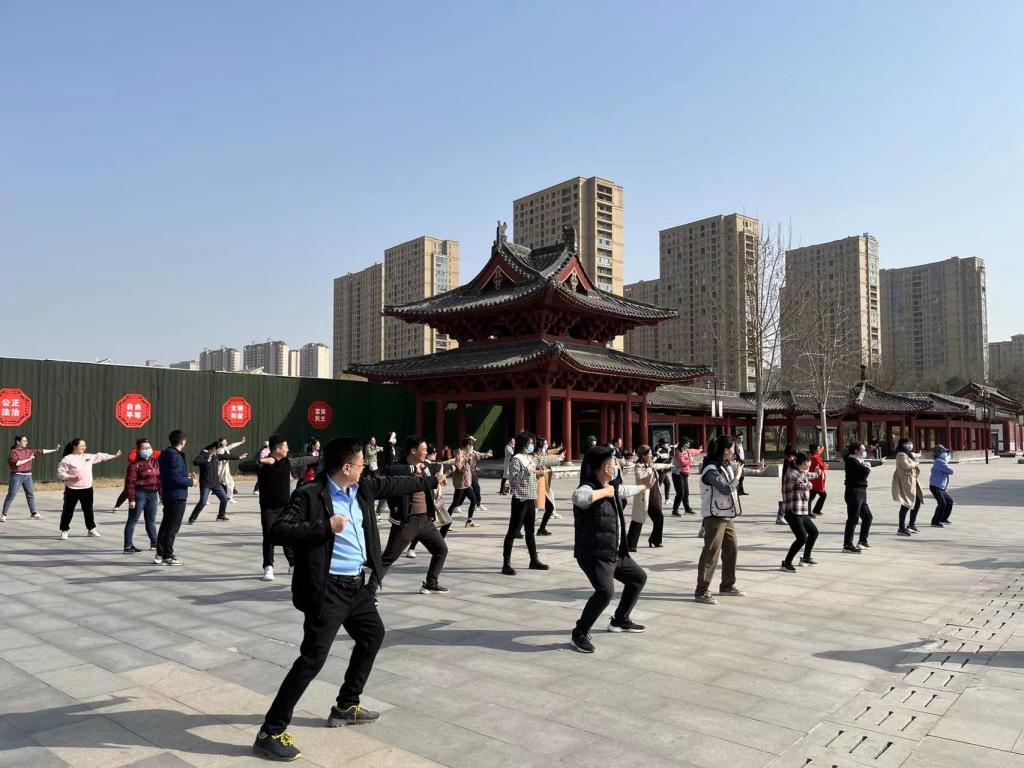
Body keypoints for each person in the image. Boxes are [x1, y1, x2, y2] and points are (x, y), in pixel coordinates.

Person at [252, 436, 441, 762]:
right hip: (326, 590)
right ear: (346, 467)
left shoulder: (361, 489)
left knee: (373, 634)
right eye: (361, 464)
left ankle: (346, 704)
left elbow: (395, 484)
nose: (365, 468)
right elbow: (279, 531)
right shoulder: (311, 494)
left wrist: (430, 479)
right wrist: (325, 526)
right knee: (312, 659)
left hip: (356, 587)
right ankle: (270, 731)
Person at [569, 445, 655, 653]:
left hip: (615, 552)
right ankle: (579, 633)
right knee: (605, 592)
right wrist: (604, 492)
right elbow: (578, 498)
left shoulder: (612, 487)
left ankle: (620, 620)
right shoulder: (588, 486)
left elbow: (623, 491)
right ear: (605, 468)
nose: (617, 467)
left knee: (638, 578)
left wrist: (644, 486)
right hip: (594, 554)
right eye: (614, 464)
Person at [375, 436, 451, 595]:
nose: (426, 452)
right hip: (407, 522)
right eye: (424, 449)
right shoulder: (400, 467)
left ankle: (431, 583)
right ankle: (368, 592)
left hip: (425, 520)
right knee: (388, 558)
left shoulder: (425, 466)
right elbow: (388, 470)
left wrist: (453, 468)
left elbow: (440, 467)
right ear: (413, 450)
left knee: (441, 550)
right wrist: (412, 469)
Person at [694, 435, 756, 604]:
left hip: (726, 514)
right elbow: (726, 488)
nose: (735, 452)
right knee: (711, 552)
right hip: (715, 516)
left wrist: (757, 471)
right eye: (733, 449)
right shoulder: (711, 470)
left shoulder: (725, 464)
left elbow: (739, 470)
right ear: (725, 450)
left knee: (731, 549)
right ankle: (701, 590)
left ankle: (727, 585)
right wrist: (737, 477)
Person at [252, 435, 320, 581]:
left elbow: (304, 460)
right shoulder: (263, 465)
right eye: (285, 446)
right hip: (269, 508)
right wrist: (262, 461)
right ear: (277, 449)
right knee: (269, 536)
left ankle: (292, 564)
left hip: (285, 507)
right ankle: (268, 567)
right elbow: (243, 466)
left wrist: (319, 458)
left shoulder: (287, 462)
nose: (288, 449)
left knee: (289, 535)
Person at [503, 431, 559, 575]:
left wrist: (558, 458)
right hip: (520, 499)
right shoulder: (516, 459)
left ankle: (534, 560)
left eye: (532, 443)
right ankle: (506, 564)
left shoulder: (530, 457)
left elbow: (542, 460)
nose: (532, 446)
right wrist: (528, 471)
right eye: (530, 443)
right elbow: (514, 480)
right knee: (512, 531)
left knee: (530, 531)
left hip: (530, 499)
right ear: (523, 444)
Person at [56, 439, 121, 539]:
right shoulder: (67, 459)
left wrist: (114, 456)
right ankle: (64, 530)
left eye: (85, 445)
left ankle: (91, 529)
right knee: (68, 510)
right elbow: (60, 473)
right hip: (72, 489)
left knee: (88, 510)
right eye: (82, 445)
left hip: (87, 489)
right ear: (75, 446)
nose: (84, 447)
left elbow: (100, 456)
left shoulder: (88, 457)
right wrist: (71, 477)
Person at [156, 430, 198, 565]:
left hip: (167, 494)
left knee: (165, 525)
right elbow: (175, 478)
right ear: (182, 441)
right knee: (172, 527)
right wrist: (191, 482)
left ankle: (160, 552)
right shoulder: (176, 456)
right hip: (176, 496)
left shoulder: (165, 454)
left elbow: (172, 474)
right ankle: (168, 555)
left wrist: (186, 476)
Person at [407, 444, 457, 558]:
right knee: (422, 527)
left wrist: (446, 472)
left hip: (436, 499)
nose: (435, 455)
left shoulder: (433, 465)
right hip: (428, 501)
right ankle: (411, 548)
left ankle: (440, 545)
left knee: (447, 521)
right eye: (433, 453)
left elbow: (445, 465)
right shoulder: (424, 465)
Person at [2, 435, 60, 522]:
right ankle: (4, 515)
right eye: (24, 441)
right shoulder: (13, 452)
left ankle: (34, 513)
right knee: (11, 495)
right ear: (18, 442)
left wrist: (55, 449)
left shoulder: (29, 451)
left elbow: (41, 451)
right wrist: (29, 459)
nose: (26, 442)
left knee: (30, 494)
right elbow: (17, 463)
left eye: (26, 441)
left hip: (28, 476)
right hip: (16, 476)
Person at [780, 452, 821, 572]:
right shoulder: (791, 473)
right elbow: (803, 481)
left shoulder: (800, 472)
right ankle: (786, 563)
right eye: (809, 461)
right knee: (802, 537)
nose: (810, 463)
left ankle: (806, 558)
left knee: (814, 532)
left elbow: (807, 475)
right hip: (792, 511)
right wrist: (808, 484)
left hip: (801, 511)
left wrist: (817, 473)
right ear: (804, 462)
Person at [187, 441, 247, 524]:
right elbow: (195, 462)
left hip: (216, 483)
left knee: (224, 499)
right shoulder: (203, 455)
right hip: (206, 484)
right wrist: (207, 460)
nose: (219, 450)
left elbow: (226, 456)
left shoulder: (216, 456)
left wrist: (239, 457)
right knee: (203, 502)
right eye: (218, 449)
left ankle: (220, 516)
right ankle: (192, 518)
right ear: (214, 448)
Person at [627, 445, 673, 550]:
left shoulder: (650, 465)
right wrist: (649, 470)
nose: (651, 455)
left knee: (659, 518)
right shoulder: (639, 466)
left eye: (651, 453)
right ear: (643, 456)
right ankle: (630, 545)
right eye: (649, 454)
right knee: (638, 520)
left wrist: (668, 465)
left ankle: (655, 540)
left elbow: (658, 466)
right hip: (644, 496)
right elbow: (640, 477)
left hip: (654, 496)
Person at [123, 438, 161, 553]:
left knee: (151, 521)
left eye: (149, 447)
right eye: (144, 448)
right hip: (140, 494)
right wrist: (131, 499)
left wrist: (162, 495)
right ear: (139, 451)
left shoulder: (155, 462)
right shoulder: (135, 465)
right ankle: (128, 546)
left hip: (153, 494)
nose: (148, 450)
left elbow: (159, 480)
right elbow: (130, 483)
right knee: (132, 520)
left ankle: (154, 543)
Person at [843, 442, 873, 553]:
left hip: (861, 492)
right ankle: (847, 545)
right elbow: (865, 472)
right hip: (854, 493)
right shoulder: (851, 461)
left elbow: (864, 469)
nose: (864, 451)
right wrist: (868, 466)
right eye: (863, 449)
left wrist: (874, 463)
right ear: (856, 450)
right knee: (853, 518)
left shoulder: (858, 461)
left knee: (867, 516)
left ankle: (862, 541)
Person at [892, 437, 923, 536]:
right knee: (906, 504)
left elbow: (914, 454)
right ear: (902, 445)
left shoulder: (907, 453)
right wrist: (916, 463)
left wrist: (918, 454)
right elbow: (906, 466)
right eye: (908, 443)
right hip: (906, 482)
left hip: (912, 480)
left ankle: (911, 524)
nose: (910, 445)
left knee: (917, 500)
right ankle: (901, 528)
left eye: (910, 443)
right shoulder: (901, 455)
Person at [535, 437, 566, 536]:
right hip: (535, 488)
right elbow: (542, 461)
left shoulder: (542, 454)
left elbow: (547, 457)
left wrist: (558, 455)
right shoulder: (535, 456)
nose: (546, 446)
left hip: (542, 487)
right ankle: (517, 530)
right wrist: (557, 458)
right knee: (527, 510)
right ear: (539, 448)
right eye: (544, 445)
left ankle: (541, 528)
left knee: (549, 507)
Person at [446, 437, 479, 526]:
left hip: (466, 484)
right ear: (467, 445)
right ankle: (445, 523)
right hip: (460, 484)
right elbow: (460, 468)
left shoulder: (468, 454)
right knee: (454, 504)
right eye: (471, 445)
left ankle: (469, 521)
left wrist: (487, 454)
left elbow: (477, 456)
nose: (472, 447)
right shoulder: (459, 453)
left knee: (474, 500)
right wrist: (467, 462)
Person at [670, 438, 701, 516]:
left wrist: (700, 450)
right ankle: (675, 511)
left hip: (684, 475)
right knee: (680, 493)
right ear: (683, 443)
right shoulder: (678, 452)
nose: (689, 444)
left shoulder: (687, 451)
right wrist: (690, 459)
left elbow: (693, 451)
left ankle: (687, 509)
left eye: (689, 443)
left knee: (686, 493)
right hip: (678, 474)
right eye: (687, 443)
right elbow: (682, 463)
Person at [929, 445, 955, 528]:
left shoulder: (940, 461)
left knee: (949, 501)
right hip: (936, 486)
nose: (946, 454)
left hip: (940, 487)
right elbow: (951, 471)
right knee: (942, 503)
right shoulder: (939, 462)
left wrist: (946, 460)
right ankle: (935, 522)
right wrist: (947, 460)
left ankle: (943, 518)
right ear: (939, 453)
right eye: (944, 452)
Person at [217, 436, 246, 502]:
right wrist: (239, 457)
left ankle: (229, 498)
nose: (226, 442)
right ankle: (205, 499)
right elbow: (224, 457)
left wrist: (241, 442)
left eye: (226, 441)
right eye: (224, 441)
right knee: (212, 484)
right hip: (219, 469)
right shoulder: (219, 450)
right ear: (221, 442)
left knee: (230, 482)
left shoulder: (226, 448)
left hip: (225, 468)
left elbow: (232, 445)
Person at [777, 443, 798, 525]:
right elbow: (785, 472)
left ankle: (787, 516)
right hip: (788, 482)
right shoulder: (788, 459)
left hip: (791, 481)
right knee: (786, 500)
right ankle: (780, 517)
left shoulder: (791, 458)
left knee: (790, 500)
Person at [808, 443, 828, 516]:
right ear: (814, 450)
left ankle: (814, 510)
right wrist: (827, 465)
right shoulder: (815, 457)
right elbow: (823, 466)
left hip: (815, 479)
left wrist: (822, 448)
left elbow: (820, 452)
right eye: (818, 448)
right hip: (816, 480)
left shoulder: (814, 456)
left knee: (812, 496)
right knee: (820, 496)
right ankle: (813, 511)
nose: (820, 449)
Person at [654, 437, 672, 505]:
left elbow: (672, 447)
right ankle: (654, 499)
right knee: (658, 486)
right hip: (661, 471)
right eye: (665, 443)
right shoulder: (660, 449)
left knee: (667, 484)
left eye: (667, 443)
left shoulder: (666, 449)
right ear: (661, 444)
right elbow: (657, 455)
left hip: (664, 470)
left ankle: (667, 499)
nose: (666, 444)